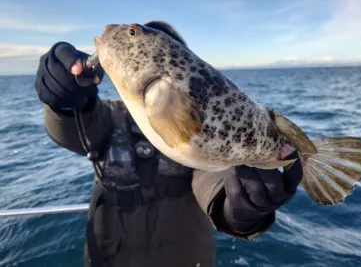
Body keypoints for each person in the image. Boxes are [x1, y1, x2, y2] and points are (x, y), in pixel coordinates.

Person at [34, 20, 303, 267]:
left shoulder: (197, 125)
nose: (118, 32)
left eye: (132, 34)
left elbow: (212, 174)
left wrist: (241, 210)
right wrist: (65, 104)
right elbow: (75, 131)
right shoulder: (109, 117)